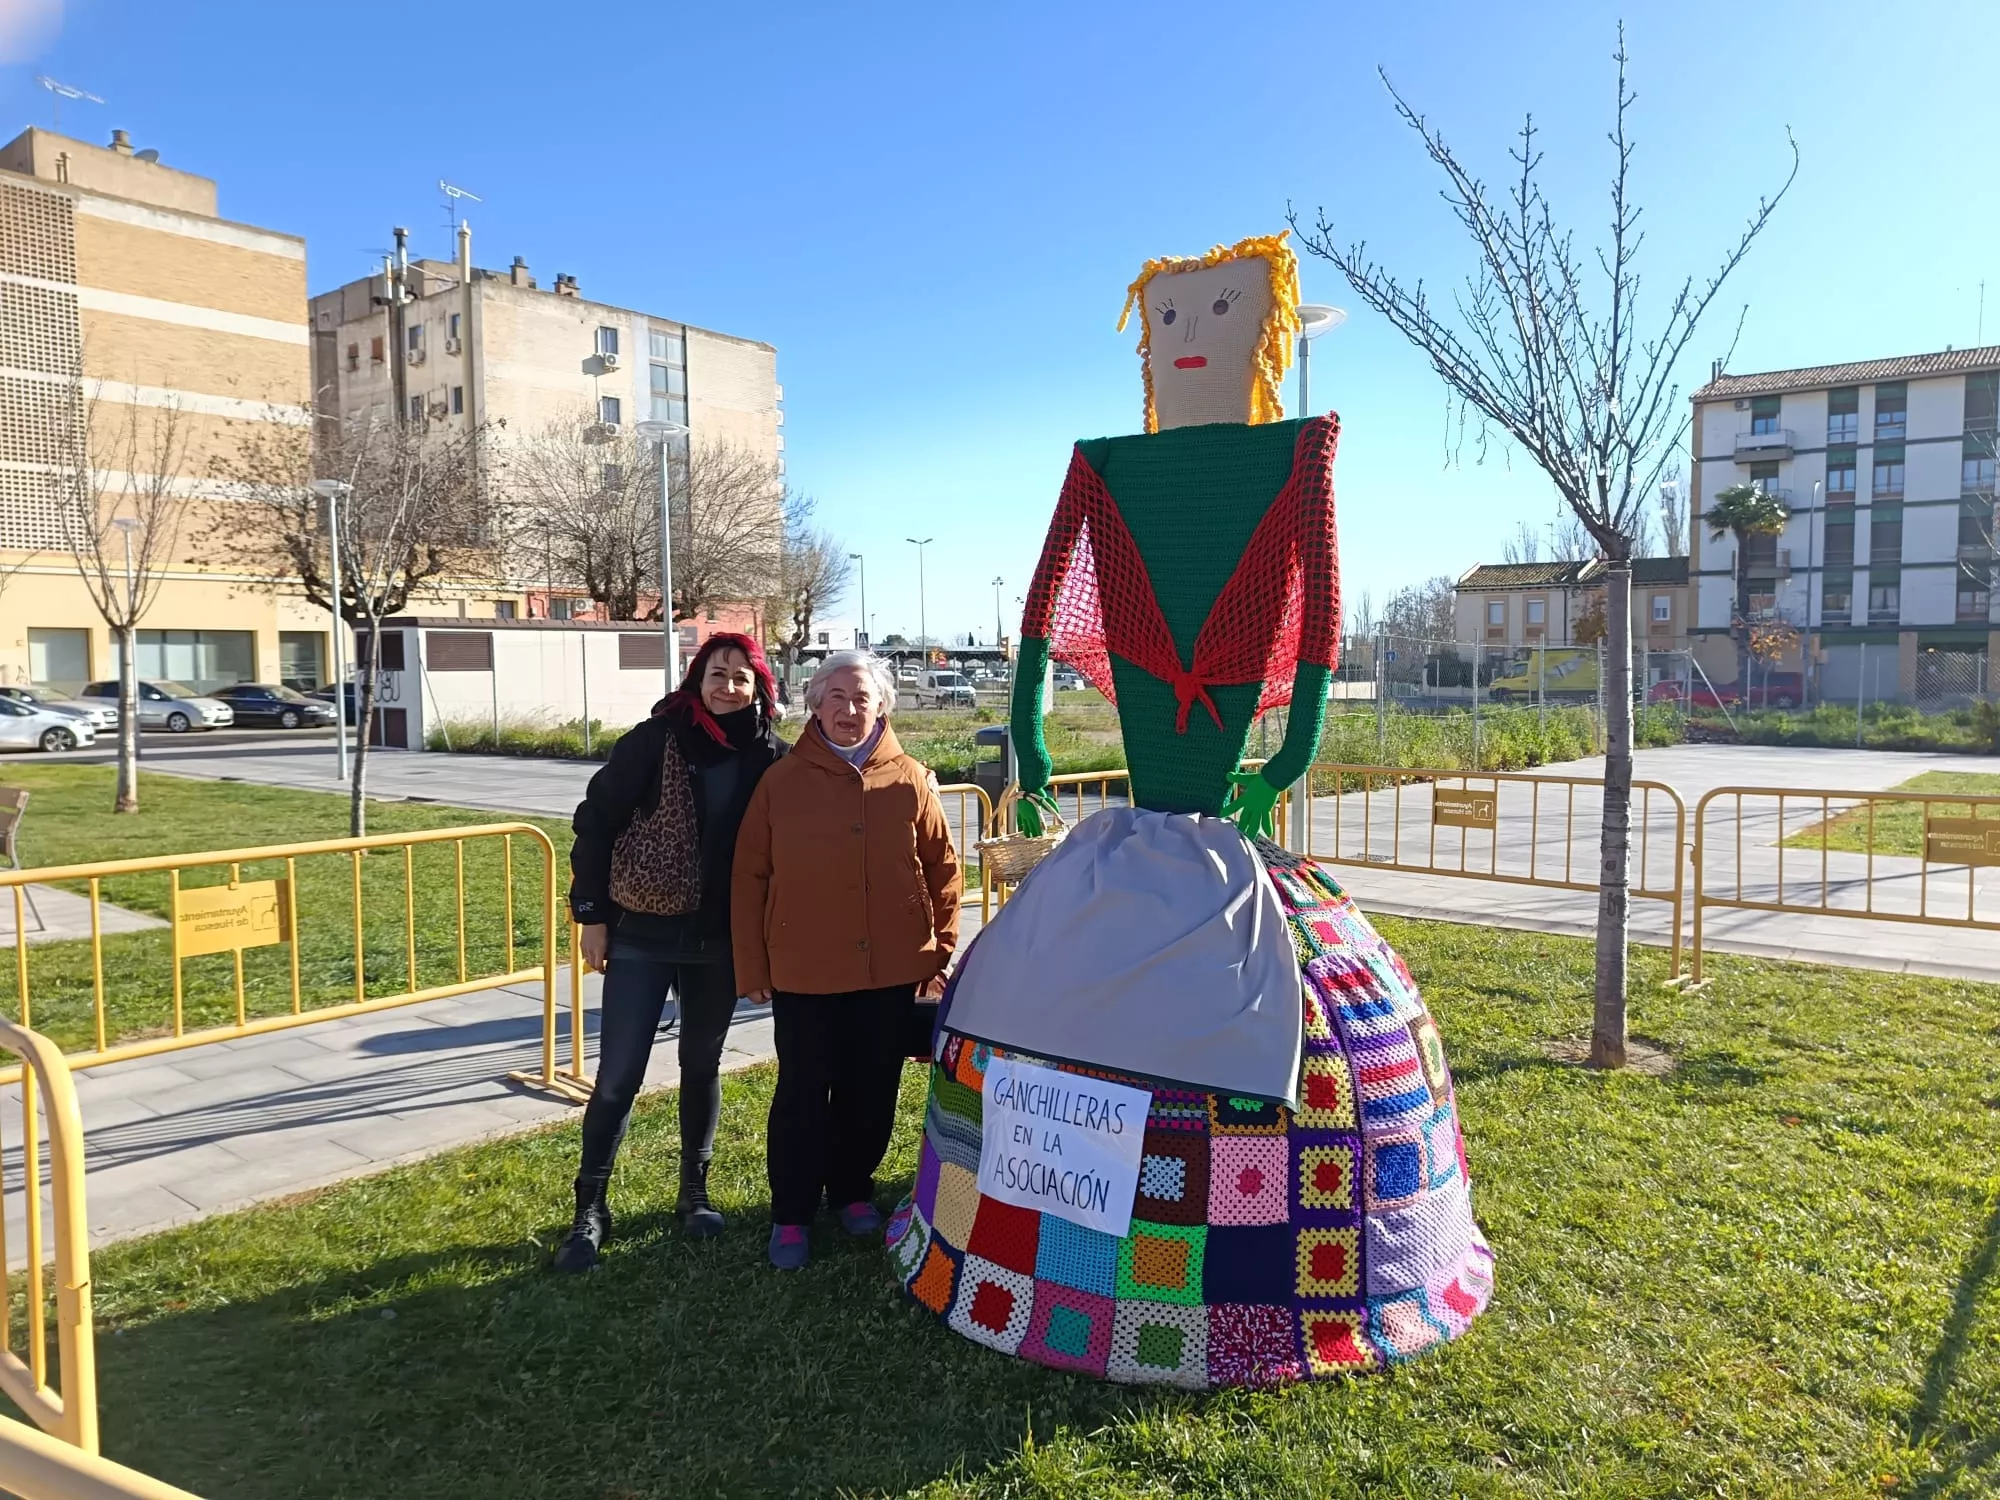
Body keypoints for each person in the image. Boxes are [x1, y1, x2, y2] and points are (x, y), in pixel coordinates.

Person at [887, 233, 1493, 1388]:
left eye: (1216, 314)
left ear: (1264, 330)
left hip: (1216, 802)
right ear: (1144, 346)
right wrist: (1028, 742)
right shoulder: (1106, 467)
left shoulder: (1293, 457)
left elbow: (1312, 639)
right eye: (1164, 322)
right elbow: (1031, 631)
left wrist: (1280, 763)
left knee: (1289, 1043)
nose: (1188, 340)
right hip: (1139, 816)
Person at [552, 632, 786, 1273]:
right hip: (642, 933)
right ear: (697, 679)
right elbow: (594, 820)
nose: (728, 686)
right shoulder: (657, 739)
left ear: (760, 687)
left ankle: (694, 1193)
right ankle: (590, 1209)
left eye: (742, 676)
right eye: (717, 673)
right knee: (619, 1073)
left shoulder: (772, 757)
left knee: (701, 1064)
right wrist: (592, 916)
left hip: (720, 940)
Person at [732, 650, 962, 1271]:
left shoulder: (909, 777)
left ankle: (853, 1191)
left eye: (862, 698)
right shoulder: (781, 782)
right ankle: (791, 1214)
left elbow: (943, 867)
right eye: (835, 697)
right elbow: (750, 874)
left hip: (890, 969)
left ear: (882, 706)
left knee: (872, 1088)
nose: (849, 710)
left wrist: (938, 945)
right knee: (804, 1091)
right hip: (805, 971)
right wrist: (751, 967)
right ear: (813, 705)